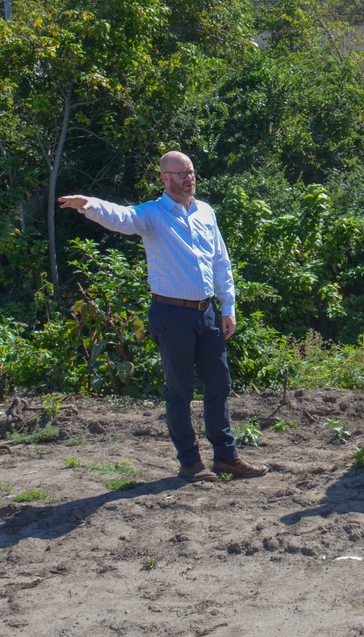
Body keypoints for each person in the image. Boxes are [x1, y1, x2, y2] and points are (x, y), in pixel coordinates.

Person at [58, 151, 268, 483]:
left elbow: (220, 262)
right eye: (181, 172)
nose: (189, 177)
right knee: (180, 390)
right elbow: (122, 218)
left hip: (208, 313)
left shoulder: (206, 213)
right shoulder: (153, 214)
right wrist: (90, 205)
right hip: (171, 314)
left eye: (191, 171)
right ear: (164, 178)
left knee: (219, 384)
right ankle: (190, 462)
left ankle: (227, 457)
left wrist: (228, 307)